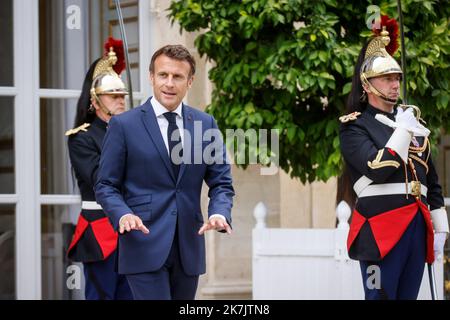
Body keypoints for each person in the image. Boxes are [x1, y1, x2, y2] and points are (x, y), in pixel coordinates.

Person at [95, 44, 235, 300]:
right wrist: (123, 213)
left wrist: (219, 211)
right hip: (143, 242)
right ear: (151, 77)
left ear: (190, 81)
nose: (169, 83)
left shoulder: (206, 124)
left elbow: (221, 182)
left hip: (188, 247)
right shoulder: (123, 125)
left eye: (178, 76)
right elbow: (105, 185)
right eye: (163, 75)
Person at [339, 16, 449, 300]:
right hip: (379, 231)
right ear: (367, 84)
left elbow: (431, 184)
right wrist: (403, 130)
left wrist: (441, 229)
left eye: (397, 78)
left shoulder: (411, 123)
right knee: (380, 297)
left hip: (415, 227)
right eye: (387, 78)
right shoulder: (355, 126)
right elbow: (378, 167)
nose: (394, 84)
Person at [65, 37, 132, 300]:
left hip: (132, 229)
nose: (120, 100)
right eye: (112, 95)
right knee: (102, 295)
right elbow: (100, 180)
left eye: (121, 94)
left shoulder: (130, 131)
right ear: (95, 100)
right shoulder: (81, 137)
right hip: (101, 229)